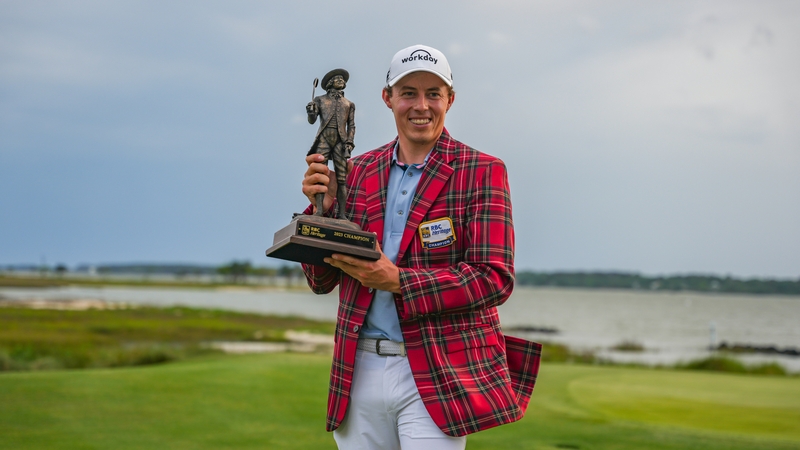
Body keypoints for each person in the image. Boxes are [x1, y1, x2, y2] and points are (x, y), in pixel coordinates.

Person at [300, 44, 541, 450]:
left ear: (450, 99)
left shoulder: (481, 170)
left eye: (433, 93)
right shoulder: (357, 171)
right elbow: (321, 280)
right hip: (358, 369)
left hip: (437, 371)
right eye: (408, 92)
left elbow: (493, 279)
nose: (421, 105)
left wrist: (397, 281)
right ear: (388, 98)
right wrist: (320, 209)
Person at [306, 68, 356, 219]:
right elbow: (312, 121)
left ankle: (342, 214)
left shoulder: (349, 104)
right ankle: (319, 210)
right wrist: (311, 112)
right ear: (329, 84)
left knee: (342, 179)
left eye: (342, 79)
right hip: (324, 139)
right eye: (337, 79)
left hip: (340, 142)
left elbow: (351, 126)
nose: (341, 80)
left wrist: (349, 142)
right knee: (320, 174)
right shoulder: (320, 100)